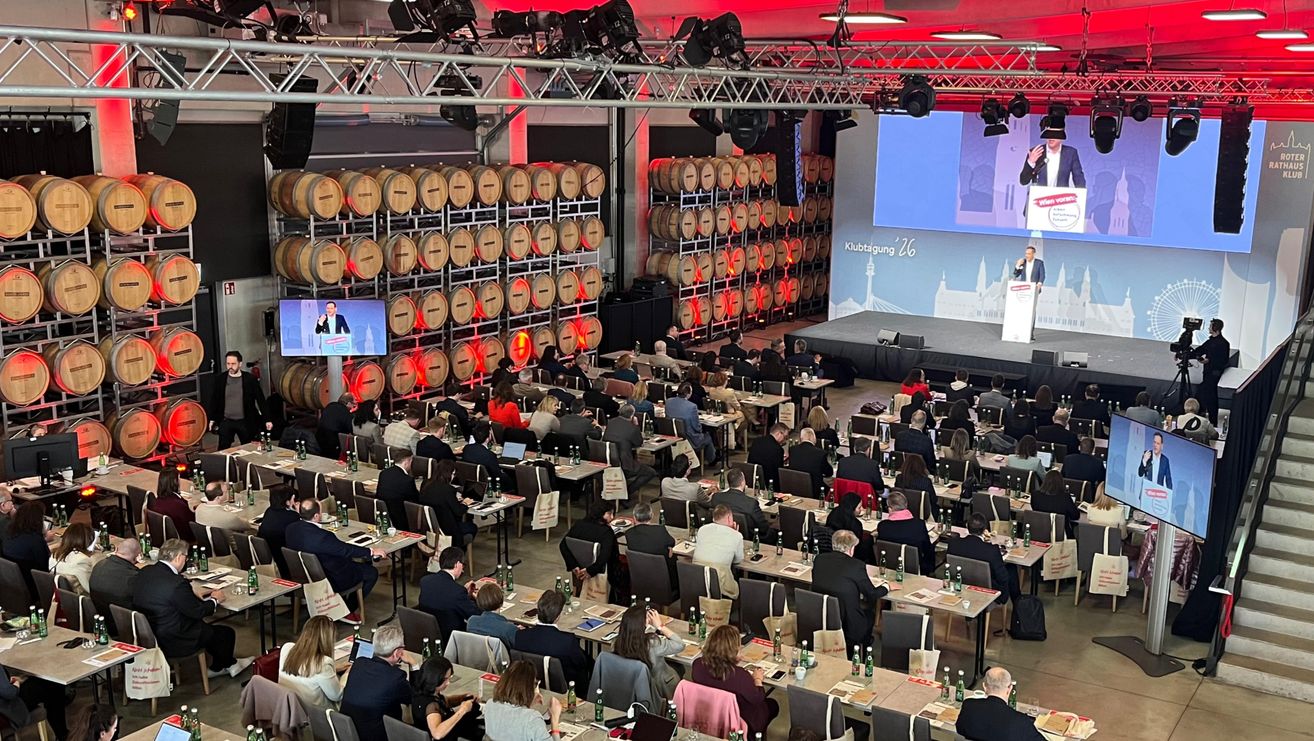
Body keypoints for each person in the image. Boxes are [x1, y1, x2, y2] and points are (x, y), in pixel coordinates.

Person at [134, 538, 252, 677]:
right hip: (175, 637)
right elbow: (198, 612)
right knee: (225, 633)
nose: (186, 560)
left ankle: (228, 664)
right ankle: (225, 666)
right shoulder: (177, 584)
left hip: (150, 632)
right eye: (186, 557)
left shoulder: (145, 571)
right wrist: (215, 600)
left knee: (209, 630)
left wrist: (189, 594)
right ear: (178, 557)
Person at [286, 498, 384, 620]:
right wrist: (371, 551)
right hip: (329, 579)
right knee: (371, 573)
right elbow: (345, 550)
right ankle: (346, 609)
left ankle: (342, 604)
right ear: (316, 516)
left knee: (352, 563)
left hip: (302, 577)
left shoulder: (290, 529)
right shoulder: (323, 537)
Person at [691, 625, 779, 736]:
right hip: (740, 720)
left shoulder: (697, 665)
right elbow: (757, 699)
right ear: (733, 650)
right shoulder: (740, 676)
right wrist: (757, 679)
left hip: (709, 713)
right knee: (772, 705)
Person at [812, 529, 886, 648]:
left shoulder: (819, 559)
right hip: (849, 624)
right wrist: (886, 587)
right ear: (851, 549)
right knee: (870, 615)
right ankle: (864, 647)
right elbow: (871, 593)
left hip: (821, 615)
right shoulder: (856, 566)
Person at [340, 624, 414, 740]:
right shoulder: (396, 678)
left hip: (347, 732)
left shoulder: (359, 663)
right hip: (379, 736)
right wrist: (414, 665)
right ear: (396, 653)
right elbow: (412, 698)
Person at [514, 590, 592, 689]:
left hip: (530, 684)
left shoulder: (520, 636)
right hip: (566, 688)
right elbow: (581, 664)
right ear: (558, 616)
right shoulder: (567, 641)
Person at [612, 604, 685, 700]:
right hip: (658, 685)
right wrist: (660, 626)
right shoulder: (652, 643)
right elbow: (680, 644)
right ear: (642, 625)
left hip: (631, 684)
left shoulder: (617, 642)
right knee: (680, 667)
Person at [956, 667, 1044, 741]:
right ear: (1009, 689)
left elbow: (960, 729)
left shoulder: (969, 706)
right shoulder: (1020, 721)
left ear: (984, 687)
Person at [482, 661, 562, 741]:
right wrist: (554, 719)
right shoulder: (533, 719)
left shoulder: (490, 705)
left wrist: (529, 703)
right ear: (528, 689)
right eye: (535, 684)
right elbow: (524, 721)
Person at [207, 350, 272, 449]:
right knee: (222, 450)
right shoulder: (220, 379)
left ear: (240, 364)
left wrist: (267, 420)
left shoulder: (250, 379)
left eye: (233, 364)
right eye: (228, 364)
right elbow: (214, 400)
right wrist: (212, 418)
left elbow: (260, 400)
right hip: (226, 421)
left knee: (249, 449)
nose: (230, 366)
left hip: (245, 421)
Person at [948, 514, 1019, 604]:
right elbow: (1002, 577)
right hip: (986, 589)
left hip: (960, 583)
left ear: (967, 526)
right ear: (985, 530)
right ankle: (1018, 604)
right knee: (1011, 569)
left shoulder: (953, 544)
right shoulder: (992, 550)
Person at [560, 502, 623, 598]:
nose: (612, 517)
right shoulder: (606, 532)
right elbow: (605, 555)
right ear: (600, 514)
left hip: (579, 568)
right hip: (604, 572)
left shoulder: (578, 525)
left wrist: (573, 565)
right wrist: (590, 571)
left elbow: (563, 545)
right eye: (609, 514)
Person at [278, 615, 343, 709]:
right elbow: (337, 695)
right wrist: (348, 675)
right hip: (315, 714)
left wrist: (334, 669)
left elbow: (306, 670)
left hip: (289, 708)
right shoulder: (323, 663)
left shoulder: (287, 648)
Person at [411, 656, 482, 740]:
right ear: (434, 679)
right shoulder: (431, 705)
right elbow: (437, 734)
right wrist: (462, 710)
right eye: (445, 679)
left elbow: (444, 701)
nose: (448, 683)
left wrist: (461, 698)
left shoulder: (424, 691)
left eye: (449, 678)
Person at [419, 546, 480, 637]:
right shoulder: (458, 592)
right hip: (452, 637)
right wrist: (477, 599)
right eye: (463, 564)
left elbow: (443, 596)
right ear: (457, 564)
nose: (463, 569)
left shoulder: (425, 581)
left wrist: (465, 594)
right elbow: (475, 615)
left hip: (429, 632)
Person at [0, 662, 67, 740]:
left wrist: (6, 682)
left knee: (38, 684)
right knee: (52, 685)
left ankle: (62, 734)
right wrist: (16, 684)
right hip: (7, 712)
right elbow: (9, 693)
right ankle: (63, 735)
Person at [711, 468, 778, 545]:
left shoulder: (716, 497)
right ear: (743, 483)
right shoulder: (751, 503)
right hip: (753, 539)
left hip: (723, 535)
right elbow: (763, 528)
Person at [419, 460, 478, 545]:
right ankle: (459, 549)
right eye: (453, 474)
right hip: (447, 530)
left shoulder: (425, 483)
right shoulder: (448, 489)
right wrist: (465, 503)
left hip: (429, 528)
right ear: (448, 474)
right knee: (472, 527)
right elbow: (458, 511)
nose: (453, 477)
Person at [876, 490, 935, 575]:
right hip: (915, 565)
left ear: (890, 508)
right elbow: (926, 548)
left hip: (888, 564)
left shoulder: (883, 526)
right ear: (906, 505)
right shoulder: (919, 524)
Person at [692, 505, 743, 598]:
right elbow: (738, 560)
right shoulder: (737, 536)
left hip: (696, 578)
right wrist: (734, 533)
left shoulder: (702, 529)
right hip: (720, 582)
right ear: (729, 518)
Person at [603, 404, 658, 492]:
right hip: (625, 464)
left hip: (608, 461)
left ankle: (623, 492)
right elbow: (639, 443)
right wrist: (636, 425)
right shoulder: (633, 428)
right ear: (632, 416)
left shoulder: (611, 422)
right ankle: (628, 492)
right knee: (650, 472)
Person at [4, 502, 51, 599]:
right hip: (35, 587)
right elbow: (46, 567)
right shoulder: (36, 541)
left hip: (13, 585)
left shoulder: (9, 534)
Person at [89, 537, 140, 622]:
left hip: (100, 618)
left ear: (116, 549)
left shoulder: (98, 565)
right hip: (125, 623)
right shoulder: (133, 578)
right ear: (137, 557)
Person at [1190, 318, 1230, 423]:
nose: (1208, 328)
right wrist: (1186, 355)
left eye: (1210, 326)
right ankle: (1203, 418)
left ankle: (1212, 421)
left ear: (1215, 328)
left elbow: (1223, 360)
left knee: (1209, 397)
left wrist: (1209, 361)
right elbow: (1200, 350)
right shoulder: (1210, 341)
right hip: (1207, 373)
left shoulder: (1224, 343)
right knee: (1205, 396)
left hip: (1214, 374)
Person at [667, 382, 717, 466]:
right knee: (708, 437)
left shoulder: (668, 402)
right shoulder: (692, 407)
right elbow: (696, 427)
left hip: (672, 436)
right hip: (689, 439)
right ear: (688, 393)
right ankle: (712, 460)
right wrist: (701, 430)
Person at [624, 503, 676, 581]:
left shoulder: (628, 533)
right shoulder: (660, 530)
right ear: (652, 516)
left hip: (639, 576)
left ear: (634, 517)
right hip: (663, 577)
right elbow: (672, 542)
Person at [1019, 127, 1086, 187]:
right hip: (1040, 196)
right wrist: (1030, 162)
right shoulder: (1035, 152)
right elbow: (1023, 181)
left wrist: (1081, 195)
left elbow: (1078, 178)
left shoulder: (1070, 153)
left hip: (1062, 196)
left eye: (1055, 134)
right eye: (1048, 133)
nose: (1051, 137)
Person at [258, 483, 300, 577]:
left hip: (269, 555)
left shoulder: (269, 511)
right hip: (285, 560)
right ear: (288, 502)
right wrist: (298, 513)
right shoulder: (292, 516)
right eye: (293, 499)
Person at [147, 468, 196, 542]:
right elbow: (192, 523)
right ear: (175, 482)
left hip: (165, 539)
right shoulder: (178, 505)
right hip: (184, 540)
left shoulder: (157, 501)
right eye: (179, 479)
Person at [467, 583, 519, 648]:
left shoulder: (471, 622)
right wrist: (518, 631)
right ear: (502, 602)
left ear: (479, 601)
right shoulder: (509, 629)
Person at [1031, 470, 1081, 537]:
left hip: (1039, 531)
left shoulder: (1035, 495)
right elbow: (1075, 516)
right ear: (1061, 483)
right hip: (1061, 534)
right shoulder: (1065, 497)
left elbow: (1035, 509)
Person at [377, 452, 420, 529]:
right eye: (411, 461)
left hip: (383, 514)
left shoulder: (384, 473)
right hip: (401, 519)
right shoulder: (407, 480)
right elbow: (416, 499)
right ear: (407, 462)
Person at [825, 493, 871, 561]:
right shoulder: (856, 525)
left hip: (830, 549)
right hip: (850, 556)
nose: (862, 509)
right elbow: (857, 546)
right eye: (859, 507)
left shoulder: (833, 513)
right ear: (852, 508)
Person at [894, 455, 940, 523]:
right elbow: (933, 499)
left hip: (902, 510)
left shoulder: (899, 478)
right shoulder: (926, 481)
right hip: (923, 512)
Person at [51, 522, 94, 594]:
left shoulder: (54, 554)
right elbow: (90, 588)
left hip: (59, 595)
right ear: (87, 541)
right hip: (79, 598)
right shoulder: (82, 560)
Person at [706, 372, 746, 449]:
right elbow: (738, 407)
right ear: (725, 381)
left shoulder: (711, 391)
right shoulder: (729, 393)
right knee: (743, 417)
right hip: (729, 415)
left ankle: (736, 438)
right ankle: (738, 438)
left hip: (717, 413)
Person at [788, 427, 832, 497]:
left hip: (794, 485)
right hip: (815, 489)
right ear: (814, 438)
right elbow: (828, 472)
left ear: (801, 438)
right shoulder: (821, 453)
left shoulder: (792, 449)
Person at [461, 421, 504, 486]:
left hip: (471, 483)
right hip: (490, 485)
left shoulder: (467, 448)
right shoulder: (489, 455)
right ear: (487, 438)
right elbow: (498, 476)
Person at [318, 392, 355, 459]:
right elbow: (350, 429)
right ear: (349, 403)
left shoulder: (330, 405)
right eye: (353, 405)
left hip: (319, 437)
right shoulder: (346, 413)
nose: (353, 407)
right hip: (333, 442)